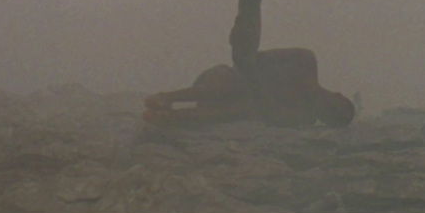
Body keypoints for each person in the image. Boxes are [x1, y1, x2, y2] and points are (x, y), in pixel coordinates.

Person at [142, 47, 356, 128]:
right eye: (335, 107)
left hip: (220, 110)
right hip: (221, 80)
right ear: (337, 95)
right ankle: (168, 97)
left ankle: (173, 118)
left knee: (245, 108)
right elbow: (253, 58)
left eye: (331, 116)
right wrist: (257, 81)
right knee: (235, 82)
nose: (328, 111)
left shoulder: (301, 116)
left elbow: (262, 112)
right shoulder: (304, 60)